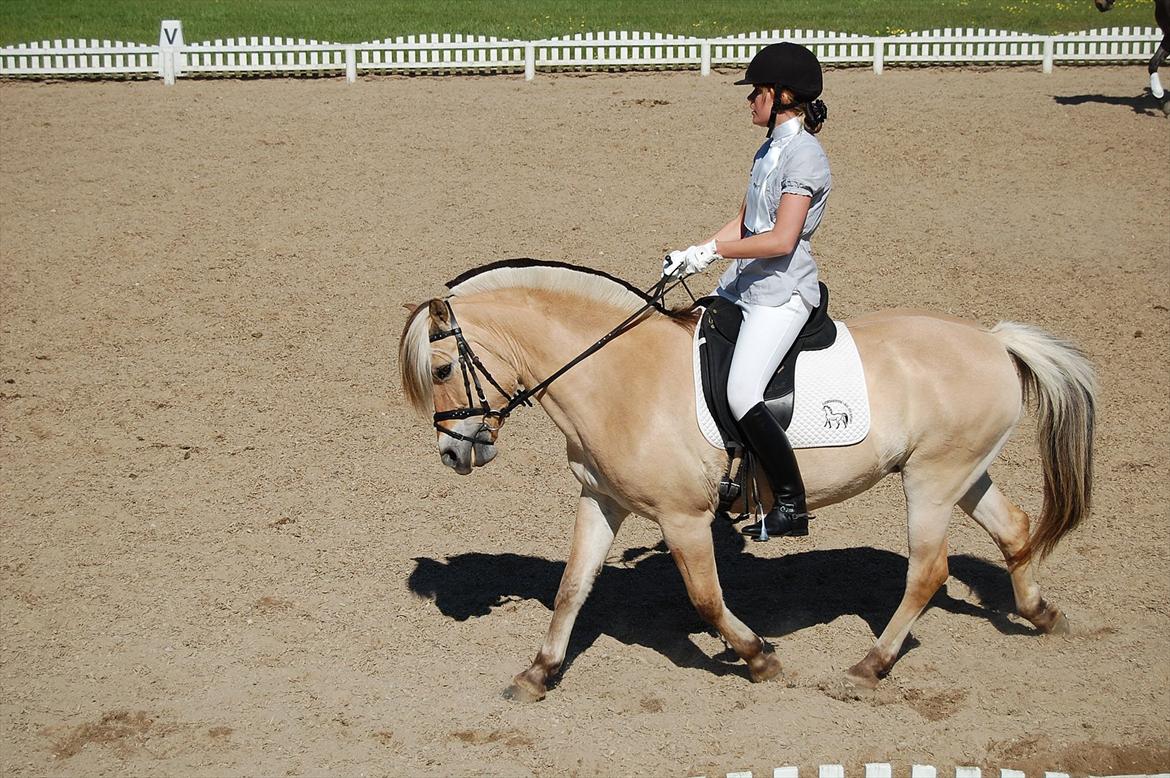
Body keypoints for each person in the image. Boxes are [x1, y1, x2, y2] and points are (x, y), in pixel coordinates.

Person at [662, 42, 831, 540]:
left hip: (781, 291)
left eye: (756, 92)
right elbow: (745, 220)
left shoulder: (805, 157)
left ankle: (790, 502)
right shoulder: (769, 149)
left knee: (742, 391)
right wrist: (696, 250)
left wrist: (713, 254)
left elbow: (780, 238)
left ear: (782, 96)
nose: (750, 100)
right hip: (745, 283)